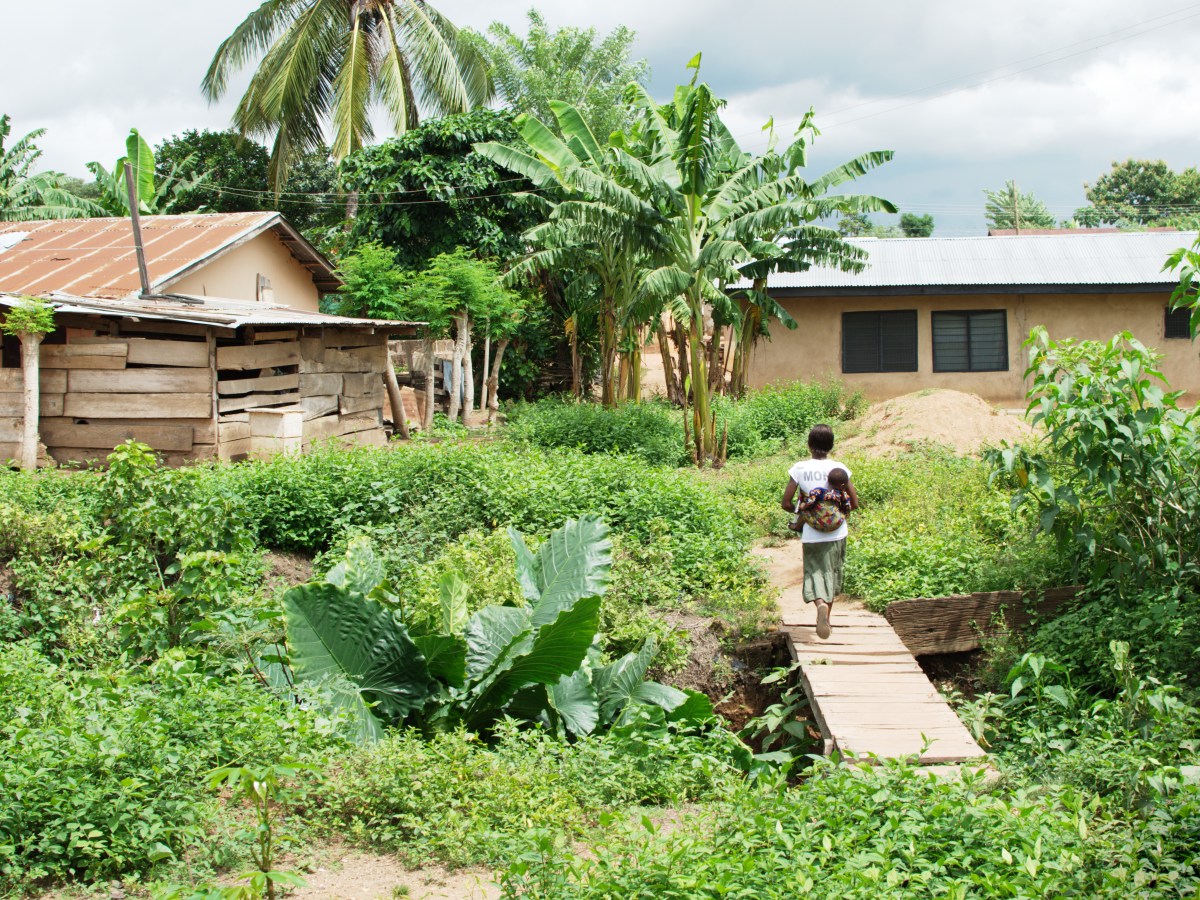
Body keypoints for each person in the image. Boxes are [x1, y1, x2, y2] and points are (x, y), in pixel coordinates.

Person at [781, 425, 858, 640]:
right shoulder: (840, 468)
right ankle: (827, 620)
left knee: (814, 572)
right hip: (837, 531)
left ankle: (820, 604)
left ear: (809, 445)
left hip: (812, 533)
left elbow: (785, 503)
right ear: (831, 445)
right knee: (831, 574)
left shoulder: (799, 468)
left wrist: (802, 509)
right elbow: (855, 502)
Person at [789, 467, 852, 534]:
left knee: (803, 512)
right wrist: (844, 513)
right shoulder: (842, 495)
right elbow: (847, 506)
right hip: (836, 524)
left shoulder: (819, 491)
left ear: (828, 481)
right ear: (843, 485)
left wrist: (804, 506)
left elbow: (811, 501)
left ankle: (798, 526)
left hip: (819, 523)